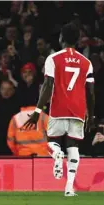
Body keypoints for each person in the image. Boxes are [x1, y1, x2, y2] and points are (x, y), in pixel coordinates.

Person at [23, 23, 95, 196]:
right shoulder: (87, 62)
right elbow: (91, 92)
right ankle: (69, 188)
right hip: (78, 109)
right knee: (73, 146)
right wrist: (90, 116)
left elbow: (48, 85)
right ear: (77, 40)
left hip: (59, 107)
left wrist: (38, 111)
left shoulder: (53, 58)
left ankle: (56, 154)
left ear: (61, 38)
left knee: (52, 141)